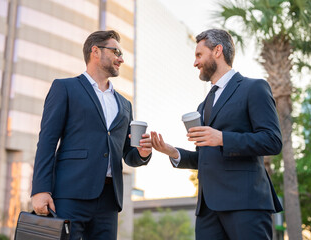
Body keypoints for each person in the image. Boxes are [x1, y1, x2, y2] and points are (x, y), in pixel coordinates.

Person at [151, 29, 283, 240]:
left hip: (245, 203)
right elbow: (205, 157)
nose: (195, 63)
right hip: (207, 210)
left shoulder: (254, 88)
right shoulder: (203, 105)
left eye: (199, 55)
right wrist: (171, 151)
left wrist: (222, 138)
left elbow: (272, 141)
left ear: (218, 51)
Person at [31, 30, 152, 240]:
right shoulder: (65, 88)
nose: (121, 59)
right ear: (95, 51)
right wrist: (40, 190)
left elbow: (127, 153)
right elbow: (47, 142)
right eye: (116, 52)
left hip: (109, 200)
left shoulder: (124, 104)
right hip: (69, 194)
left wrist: (141, 154)